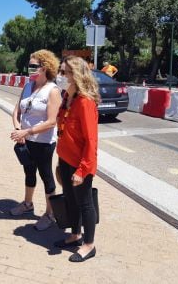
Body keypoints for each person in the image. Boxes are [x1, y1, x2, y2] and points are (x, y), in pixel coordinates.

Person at [10, 49, 62, 231]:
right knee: (29, 172)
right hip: (25, 140)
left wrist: (27, 131)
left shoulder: (52, 90)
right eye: (29, 66)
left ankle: (50, 213)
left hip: (43, 142)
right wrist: (18, 129)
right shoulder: (27, 86)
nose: (29, 69)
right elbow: (17, 111)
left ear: (45, 67)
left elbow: (51, 121)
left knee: (46, 176)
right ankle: (27, 203)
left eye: (33, 66)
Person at [55, 56, 99, 262]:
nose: (60, 76)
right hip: (65, 158)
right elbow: (63, 129)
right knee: (70, 200)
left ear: (76, 75)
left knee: (85, 203)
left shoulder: (85, 102)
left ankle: (89, 245)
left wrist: (82, 170)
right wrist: (60, 161)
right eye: (61, 72)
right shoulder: (67, 97)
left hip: (79, 163)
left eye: (64, 73)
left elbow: (91, 140)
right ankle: (75, 235)